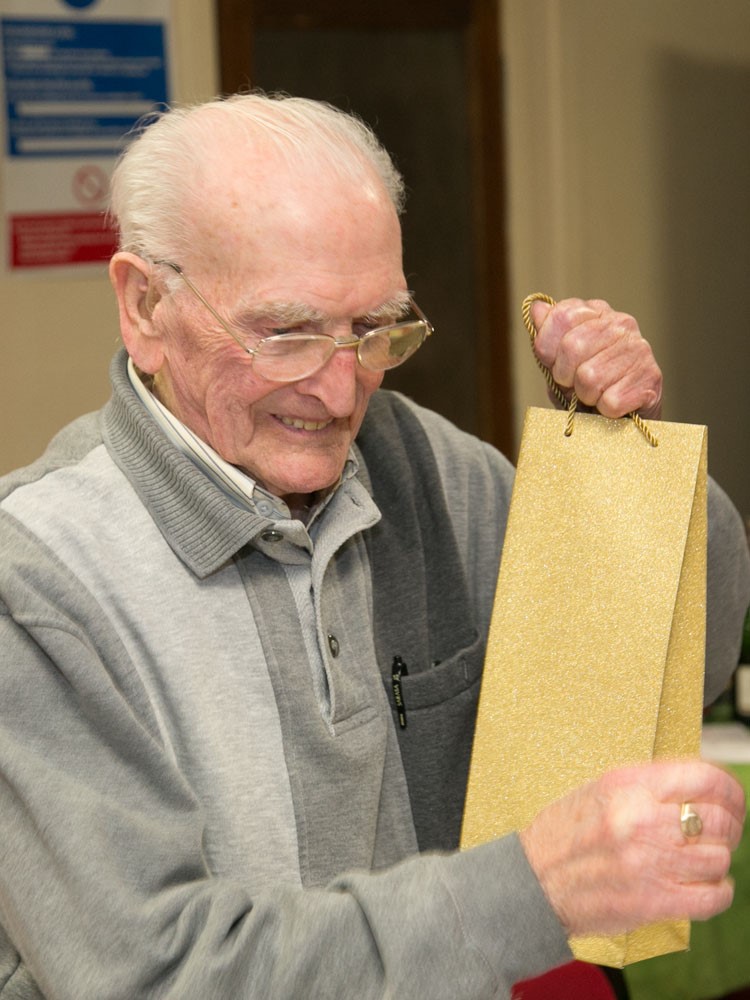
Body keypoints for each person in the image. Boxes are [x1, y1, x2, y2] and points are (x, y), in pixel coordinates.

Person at [0, 92, 747, 1000]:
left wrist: (622, 458)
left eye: (374, 329)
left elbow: (674, 672)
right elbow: (151, 975)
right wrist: (530, 890)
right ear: (145, 304)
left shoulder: (419, 467)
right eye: (288, 332)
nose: (341, 389)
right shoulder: (37, 578)